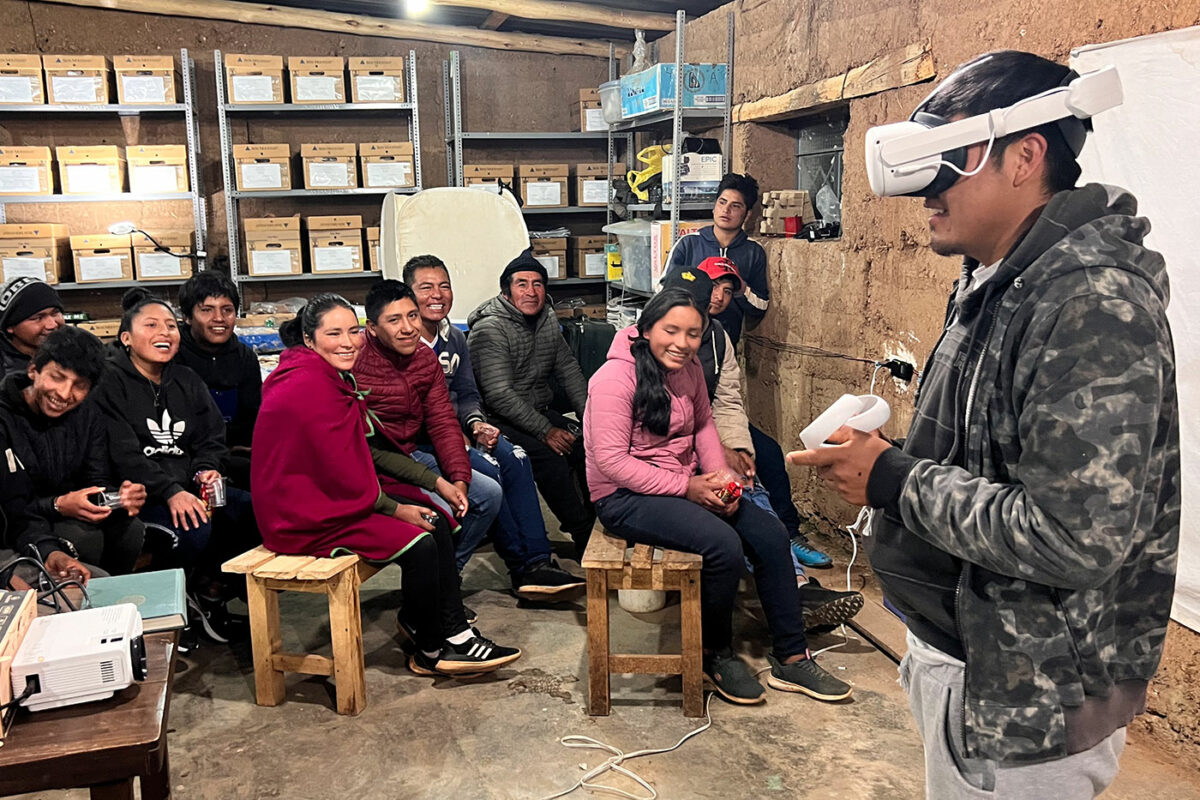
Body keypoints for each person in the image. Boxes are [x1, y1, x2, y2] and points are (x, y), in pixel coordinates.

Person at [789, 51, 1179, 798]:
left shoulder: (1090, 303)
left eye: (952, 161)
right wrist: (888, 465)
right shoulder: (999, 279)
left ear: (1028, 155)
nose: (927, 192)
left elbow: (1072, 536)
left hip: (1026, 701)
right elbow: (993, 463)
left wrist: (893, 479)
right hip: (973, 661)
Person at [585, 288, 852, 705]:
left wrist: (720, 480)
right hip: (624, 495)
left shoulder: (688, 369)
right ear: (646, 329)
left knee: (769, 532)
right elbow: (611, 461)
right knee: (722, 545)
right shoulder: (613, 380)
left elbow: (704, 425)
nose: (682, 343)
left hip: (684, 482)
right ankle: (714, 653)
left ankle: (792, 656)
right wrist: (687, 487)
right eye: (671, 331)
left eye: (693, 334)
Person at [252, 293, 521, 676]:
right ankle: (432, 649)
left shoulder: (332, 376)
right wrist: (398, 508)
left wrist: (439, 483)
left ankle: (447, 630)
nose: (347, 342)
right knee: (421, 537)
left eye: (352, 331)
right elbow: (340, 472)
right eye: (334, 333)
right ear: (309, 340)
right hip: (302, 512)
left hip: (331, 495)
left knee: (438, 518)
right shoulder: (307, 385)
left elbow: (371, 451)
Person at [658, 259, 862, 631]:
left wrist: (736, 449)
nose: (687, 325)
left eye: (696, 313)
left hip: (704, 439)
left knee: (751, 481)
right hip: (666, 461)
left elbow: (726, 401)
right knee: (736, 497)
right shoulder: (646, 345)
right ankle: (792, 589)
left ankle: (796, 588)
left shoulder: (718, 340)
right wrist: (714, 456)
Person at [403, 255, 584, 597]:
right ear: (409, 294)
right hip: (425, 441)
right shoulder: (406, 342)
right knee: (494, 472)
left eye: (444, 286)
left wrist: (474, 423)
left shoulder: (453, 338)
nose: (437, 294)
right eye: (426, 287)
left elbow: (468, 393)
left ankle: (538, 561)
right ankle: (521, 564)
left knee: (515, 457)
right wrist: (461, 432)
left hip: (462, 430)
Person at [93, 288, 258, 643]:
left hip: (188, 485)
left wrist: (206, 468)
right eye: (151, 325)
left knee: (253, 511)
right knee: (191, 527)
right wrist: (171, 492)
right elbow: (122, 453)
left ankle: (210, 591)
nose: (164, 333)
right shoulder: (108, 383)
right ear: (126, 337)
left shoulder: (186, 380)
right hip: (139, 494)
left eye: (170, 326)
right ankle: (164, 615)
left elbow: (211, 435)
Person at [467, 249, 595, 559]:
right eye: (522, 284)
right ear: (506, 291)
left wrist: (592, 419)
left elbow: (569, 370)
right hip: (497, 418)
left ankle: (596, 525)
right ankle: (582, 535)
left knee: (588, 445)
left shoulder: (547, 319)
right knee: (552, 458)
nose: (531, 291)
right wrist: (546, 431)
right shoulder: (490, 329)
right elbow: (498, 394)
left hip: (536, 410)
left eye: (538, 284)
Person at [0, 326, 146, 575]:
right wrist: (57, 505)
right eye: (57, 377)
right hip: (19, 524)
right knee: (84, 538)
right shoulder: (5, 419)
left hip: (65, 511)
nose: (65, 394)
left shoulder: (88, 413)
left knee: (129, 528)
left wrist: (119, 498)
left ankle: (114, 603)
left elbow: (96, 479)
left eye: (79, 385)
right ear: (33, 370)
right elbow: (10, 510)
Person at [175, 271, 261, 485]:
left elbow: (252, 415)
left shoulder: (245, 358)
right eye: (206, 310)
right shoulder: (173, 357)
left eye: (227, 310)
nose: (219, 319)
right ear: (187, 316)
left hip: (234, 453)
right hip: (186, 459)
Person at [663, 173, 767, 348]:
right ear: (714, 205)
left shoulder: (753, 252)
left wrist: (739, 288)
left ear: (747, 215)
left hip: (726, 343)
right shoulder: (689, 243)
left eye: (736, 206)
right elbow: (663, 289)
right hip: (683, 341)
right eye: (722, 202)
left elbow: (761, 306)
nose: (726, 210)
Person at [0, 277, 65, 376]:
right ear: (10, 327)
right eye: (38, 318)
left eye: (55, 313)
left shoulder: (80, 352)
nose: (52, 325)